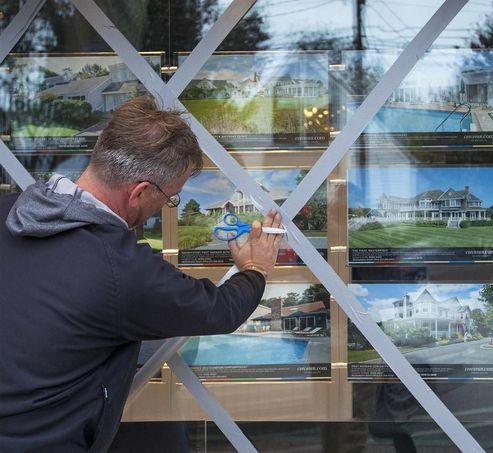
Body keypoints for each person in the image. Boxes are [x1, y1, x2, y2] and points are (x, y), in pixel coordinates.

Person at [0, 97, 283, 452]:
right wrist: (255, 269)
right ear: (140, 192)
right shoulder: (118, 267)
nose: (165, 206)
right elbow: (219, 309)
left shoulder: (8, 210)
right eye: (171, 198)